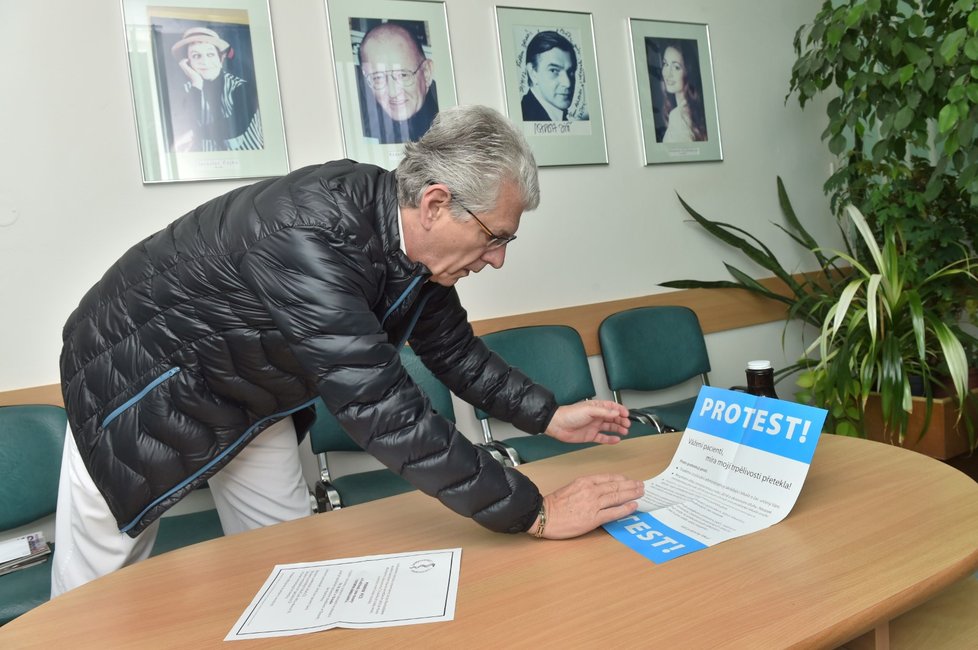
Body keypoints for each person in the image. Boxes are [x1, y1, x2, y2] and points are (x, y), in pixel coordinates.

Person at [51, 105, 644, 597]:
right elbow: (384, 412)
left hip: (250, 394)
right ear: (436, 204)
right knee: (94, 592)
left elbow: (453, 350)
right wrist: (534, 512)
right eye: (495, 237)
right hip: (134, 385)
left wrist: (547, 415)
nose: (498, 258)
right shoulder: (308, 239)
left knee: (289, 570)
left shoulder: (406, 241)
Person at [169, 26, 263, 152]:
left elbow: (237, 127)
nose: (205, 61)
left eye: (210, 54)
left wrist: (193, 134)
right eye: (196, 56)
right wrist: (196, 83)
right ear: (188, 62)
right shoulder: (186, 91)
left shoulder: (241, 87)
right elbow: (184, 122)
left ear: (221, 58)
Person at [357, 22, 438, 144]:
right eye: (378, 78)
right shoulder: (362, 123)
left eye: (403, 75)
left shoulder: (448, 121)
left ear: (426, 72)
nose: (392, 92)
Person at [656, 40, 708, 143]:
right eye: (665, 64)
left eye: (676, 67)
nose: (667, 73)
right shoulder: (693, 111)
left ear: (688, 72)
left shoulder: (678, 117)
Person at [521, 31, 578, 122]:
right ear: (532, 73)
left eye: (570, 71)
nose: (567, 83)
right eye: (554, 70)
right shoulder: (525, 117)